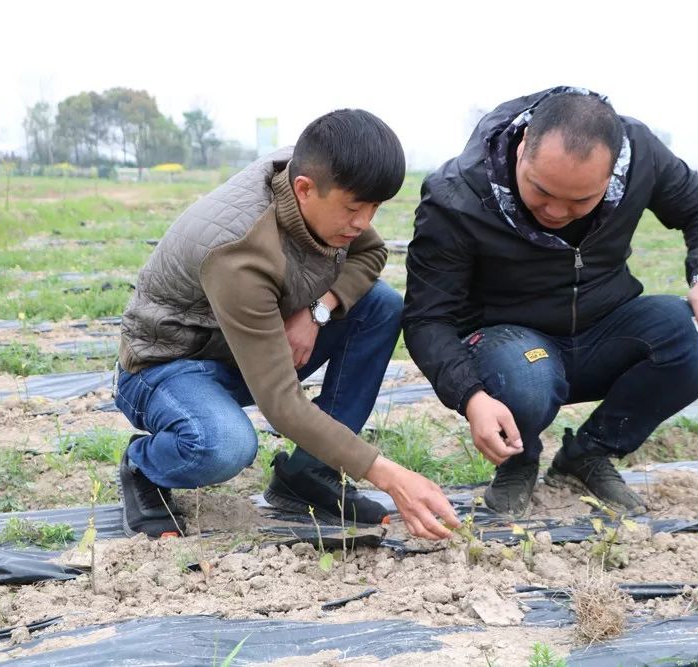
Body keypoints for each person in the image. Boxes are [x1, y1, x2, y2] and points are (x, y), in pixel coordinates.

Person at [403, 86, 698, 516]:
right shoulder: (459, 194)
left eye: (581, 200)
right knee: (526, 377)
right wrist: (471, 396)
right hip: (512, 344)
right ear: (523, 146)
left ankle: (587, 454)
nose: (555, 211)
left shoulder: (640, 154)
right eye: (541, 191)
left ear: (611, 172)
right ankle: (518, 459)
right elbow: (427, 318)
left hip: (606, 324)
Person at [115, 109, 459, 540]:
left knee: (380, 306)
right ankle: (143, 465)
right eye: (354, 208)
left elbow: (370, 255)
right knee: (224, 445)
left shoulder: (322, 182)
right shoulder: (238, 252)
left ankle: (309, 475)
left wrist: (318, 309)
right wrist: (388, 475)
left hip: (245, 345)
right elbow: (281, 403)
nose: (364, 222)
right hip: (167, 365)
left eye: (375, 208)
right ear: (304, 189)